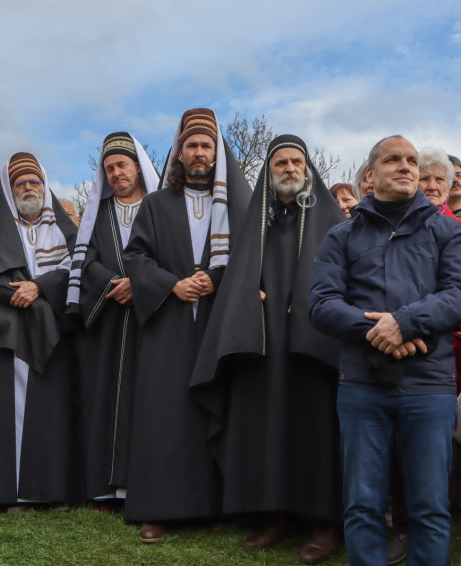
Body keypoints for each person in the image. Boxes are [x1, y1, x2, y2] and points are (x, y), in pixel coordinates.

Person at [309, 135, 461, 566]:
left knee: (430, 507)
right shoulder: (341, 235)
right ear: (371, 174)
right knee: (362, 504)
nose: (406, 167)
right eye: (393, 160)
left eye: (412, 161)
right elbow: (322, 304)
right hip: (362, 384)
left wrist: (404, 322)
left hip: (429, 384)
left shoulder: (446, 231)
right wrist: (380, 330)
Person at [192, 135, 345, 563]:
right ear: (269, 171)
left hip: (313, 343)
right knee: (268, 426)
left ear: (308, 169)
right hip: (263, 342)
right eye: (281, 162)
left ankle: (325, 521)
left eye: (297, 161)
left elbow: (342, 273)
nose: (290, 168)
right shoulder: (254, 220)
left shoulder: (331, 218)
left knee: (316, 426)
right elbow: (238, 274)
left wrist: (310, 298)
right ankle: (275, 513)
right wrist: (248, 294)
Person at [122, 108, 250, 542]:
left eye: (205, 145)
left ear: (217, 153)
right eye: (191, 145)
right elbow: (136, 256)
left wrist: (216, 278)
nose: (198, 152)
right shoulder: (156, 204)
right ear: (178, 153)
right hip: (167, 320)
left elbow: (250, 257)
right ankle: (155, 510)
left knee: (214, 405)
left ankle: (213, 505)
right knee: (162, 413)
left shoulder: (235, 206)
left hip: (217, 319)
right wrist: (171, 285)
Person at [0, 152, 79, 508]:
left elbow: (79, 269)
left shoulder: (65, 229)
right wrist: (23, 295)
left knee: (54, 414)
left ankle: (54, 492)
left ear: (44, 185)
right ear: (10, 191)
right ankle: (11, 493)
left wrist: (40, 287)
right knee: (12, 416)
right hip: (10, 335)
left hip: (56, 333)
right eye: (20, 183)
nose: (28, 188)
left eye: (34, 181)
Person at [66, 132, 159, 504]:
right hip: (106, 320)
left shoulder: (160, 206)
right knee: (102, 400)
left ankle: (144, 484)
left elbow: (171, 254)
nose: (116, 173)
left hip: (151, 318)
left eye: (122, 165)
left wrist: (141, 283)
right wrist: (112, 284)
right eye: (109, 168)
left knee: (148, 399)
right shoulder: (97, 214)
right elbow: (85, 259)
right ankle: (104, 488)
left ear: (137, 166)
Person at [418, 147, 461, 252]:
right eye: (424, 179)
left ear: (447, 189)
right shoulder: (399, 225)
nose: (432, 187)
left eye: (439, 179)